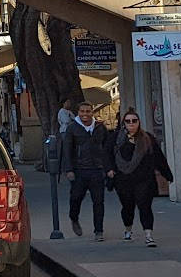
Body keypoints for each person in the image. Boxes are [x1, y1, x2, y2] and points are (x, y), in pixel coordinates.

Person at [111, 109, 173, 247]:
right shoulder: (116, 138)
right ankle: (128, 229)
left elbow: (158, 157)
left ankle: (148, 235)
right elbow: (107, 155)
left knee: (145, 206)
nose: (131, 124)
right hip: (124, 179)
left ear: (139, 122)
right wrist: (109, 170)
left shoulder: (147, 138)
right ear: (123, 123)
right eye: (128, 121)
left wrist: (167, 174)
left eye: (134, 121)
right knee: (127, 207)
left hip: (144, 179)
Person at [61, 102, 113, 240]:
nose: (85, 114)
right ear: (78, 112)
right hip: (79, 170)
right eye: (82, 111)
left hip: (97, 169)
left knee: (98, 201)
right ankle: (74, 217)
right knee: (76, 198)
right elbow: (67, 150)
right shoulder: (72, 128)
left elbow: (107, 149)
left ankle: (99, 231)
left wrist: (109, 168)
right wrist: (69, 169)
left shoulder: (100, 128)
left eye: (88, 111)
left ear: (92, 112)